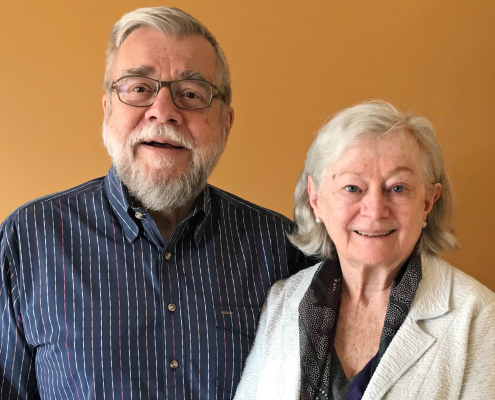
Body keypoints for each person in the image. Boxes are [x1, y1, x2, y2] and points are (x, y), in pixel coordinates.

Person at [0, 7, 309, 400]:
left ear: (225, 124)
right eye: (138, 88)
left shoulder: (281, 247)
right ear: (108, 108)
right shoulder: (28, 238)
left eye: (192, 94)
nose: (163, 111)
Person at [234, 101, 495, 400]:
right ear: (316, 199)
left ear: (427, 202)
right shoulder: (283, 300)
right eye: (353, 188)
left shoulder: (479, 317)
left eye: (398, 188)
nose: (375, 210)